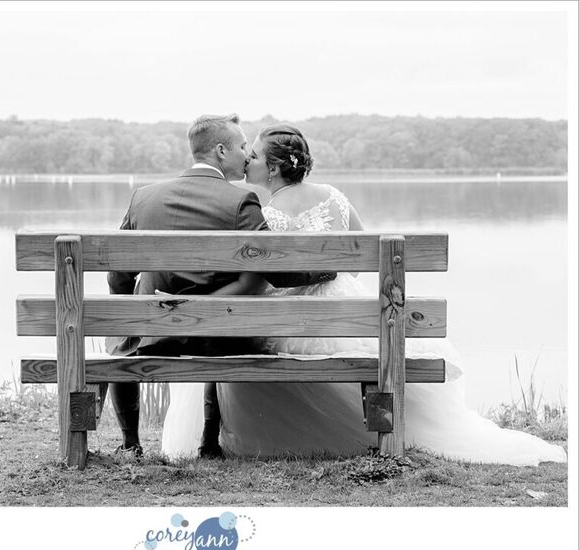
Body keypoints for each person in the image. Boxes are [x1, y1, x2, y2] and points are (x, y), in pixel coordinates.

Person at [161, 123, 567, 467]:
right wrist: (332, 282)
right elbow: (361, 252)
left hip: (291, 314)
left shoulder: (266, 214)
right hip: (347, 305)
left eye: (253, 157)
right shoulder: (335, 197)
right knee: (352, 337)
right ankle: (380, 435)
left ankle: (228, 440)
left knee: (244, 331)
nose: (247, 160)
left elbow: (265, 277)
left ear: (272, 170)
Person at [106, 115, 335, 459]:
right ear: (220, 150)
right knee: (222, 318)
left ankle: (130, 443)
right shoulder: (240, 202)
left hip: (151, 334)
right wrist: (324, 270)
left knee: (121, 338)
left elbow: (117, 273)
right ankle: (208, 443)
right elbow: (279, 272)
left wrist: (130, 310)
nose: (246, 155)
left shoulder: (144, 198)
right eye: (243, 147)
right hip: (218, 336)